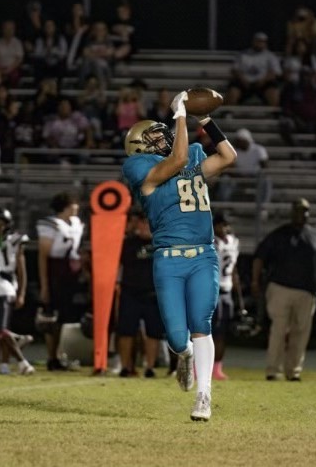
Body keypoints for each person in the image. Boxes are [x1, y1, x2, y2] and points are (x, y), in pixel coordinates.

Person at [122, 90, 237, 421]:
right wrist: (180, 115)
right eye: (155, 137)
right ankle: (183, 356)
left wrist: (205, 120)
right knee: (175, 337)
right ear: (140, 147)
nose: (164, 138)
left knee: (202, 323)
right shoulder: (137, 167)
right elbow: (178, 160)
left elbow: (228, 157)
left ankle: (204, 396)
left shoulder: (191, 153)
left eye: (164, 133)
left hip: (203, 254)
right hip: (169, 258)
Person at [251, 198, 316, 381]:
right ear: (292, 212)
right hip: (280, 288)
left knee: (301, 332)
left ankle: (294, 371)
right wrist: (255, 281)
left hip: (307, 292)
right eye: (298, 211)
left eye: (305, 211)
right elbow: (259, 257)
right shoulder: (278, 234)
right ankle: (273, 370)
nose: (302, 214)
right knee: (279, 330)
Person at [36, 192, 85, 371]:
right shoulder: (51, 224)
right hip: (55, 271)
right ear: (66, 205)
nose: (77, 207)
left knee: (65, 317)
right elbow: (43, 256)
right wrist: (44, 285)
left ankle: (58, 355)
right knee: (51, 317)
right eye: (74, 203)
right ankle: (52, 357)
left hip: (71, 272)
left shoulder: (76, 224)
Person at [116, 208, 164, 378]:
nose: (145, 226)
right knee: (126, 331)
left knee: (153, 332)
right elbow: (117, 266)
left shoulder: (162, 243)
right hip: (130, 292)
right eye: (143, 223)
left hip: (154, 293)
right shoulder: (128, 243)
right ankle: (125, 366)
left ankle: (150, 367)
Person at [0, 208, 35, 375]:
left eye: (1, 223)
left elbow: (21, 268)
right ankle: (4, 364)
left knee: (2, 329)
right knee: (3, 330)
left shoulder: (14, 240)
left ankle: (23, 363)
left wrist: (21, 292)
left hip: (4, 286)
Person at [212, 213, 241, 380]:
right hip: (211, 290)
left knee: (222, 332)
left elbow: (234, 269)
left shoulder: (233, 242)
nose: (224, 228)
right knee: (205, 331)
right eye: (221, 225)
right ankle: (196, 367)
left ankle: (217, 368)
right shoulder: (210, 242)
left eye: (226, 225)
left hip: (226, 290)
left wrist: (238, 295)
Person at [225, 32, 282, 107]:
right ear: (253, 41)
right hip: (244, 82)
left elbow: (276, 72)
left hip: (262, 83)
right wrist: (243, 79)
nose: (260, 43)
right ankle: (228, 113)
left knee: (273, 91)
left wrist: (263, 80)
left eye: (262, 41)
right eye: (258, 41)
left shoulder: (271, 56)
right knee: (233, 90)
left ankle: (275, 114)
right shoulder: (243, 54)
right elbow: (235, 70)